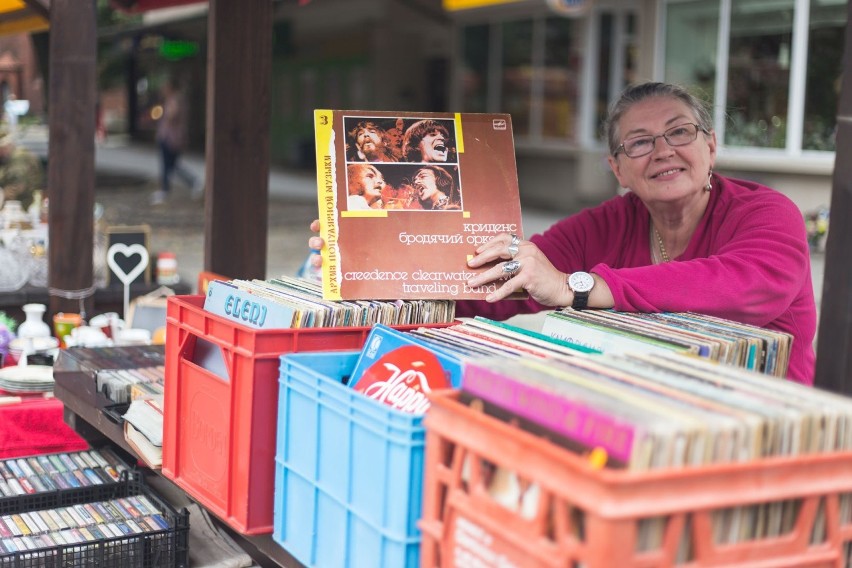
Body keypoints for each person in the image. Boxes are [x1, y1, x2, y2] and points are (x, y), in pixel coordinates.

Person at [309, 81, 816, 384]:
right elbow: (497, 288)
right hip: (637, 419)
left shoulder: (767, 212)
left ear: (711, 146)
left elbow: (753, 283)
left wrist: (580, 287)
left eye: (679, 132)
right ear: (617, 169)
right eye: (639, 143)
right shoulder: (606, 223)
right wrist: (369, 264)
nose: (663, 150)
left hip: (757, 432)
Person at [150, 78, 198, 205]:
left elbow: (172, 115)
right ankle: (189, 183)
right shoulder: (175, 99)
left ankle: (169, 189)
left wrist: (163, 114)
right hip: (171, 137)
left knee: (169, 165)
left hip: (170, 138)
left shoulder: (174, 100)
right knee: (171, 165)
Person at [0, 129, 45, 211]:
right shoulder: (13, 158)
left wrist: (3, 195)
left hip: (19, 207)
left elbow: (15, 189)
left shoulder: (20, 159)